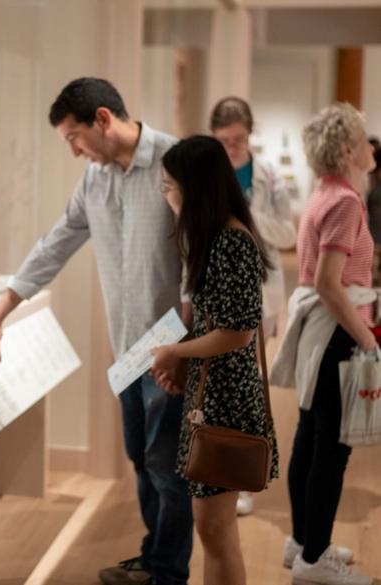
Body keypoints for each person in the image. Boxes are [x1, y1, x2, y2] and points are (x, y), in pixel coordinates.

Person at [0, 77, 193, 585]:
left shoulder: (176, 161)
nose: (73, 151)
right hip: (126, 350)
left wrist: (185, 349)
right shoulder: (95, 180)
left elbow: (197, 263)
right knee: (141, 459)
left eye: (74, 137)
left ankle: (168, 573)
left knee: (169, 469)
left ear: (102, 119)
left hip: (172, 351)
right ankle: (155, 558)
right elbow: (55, 244)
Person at [150, 135, 278, 585]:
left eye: (169, 186)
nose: (167, 196)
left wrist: (176, 351)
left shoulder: (230, 242)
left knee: (215, 529)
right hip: (214, 391)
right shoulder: (216, 238)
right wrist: (185, 365)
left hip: (227, 397)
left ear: (195, 187)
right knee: (214, 529)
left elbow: (237, 332)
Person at [271, 103, 378, 585]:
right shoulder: (346, 202)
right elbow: (330, 284)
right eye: (363, 136)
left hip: (323, 330)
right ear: (348, 150)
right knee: (331, 449)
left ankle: (303, 542)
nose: (371, 144)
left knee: (311, 436)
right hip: (337, 332)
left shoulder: (324, 193)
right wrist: (367, 339)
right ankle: (314, 561)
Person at [209, 97, 297, 517]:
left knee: (248, 384)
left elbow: (288, 233)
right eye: (224, 140)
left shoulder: (269, 176)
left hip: (259, 292)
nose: (232, 148)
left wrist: (249, 215)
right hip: (216, 290)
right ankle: (214, 469)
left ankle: (243, 478)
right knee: (218, 384)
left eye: (239, 139)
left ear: (250, 133)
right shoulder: (206, 172)